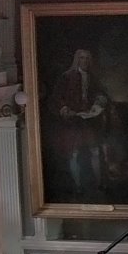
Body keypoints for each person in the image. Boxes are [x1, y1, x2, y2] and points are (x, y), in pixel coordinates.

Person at [50, 48, 110, 198]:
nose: (85, 61)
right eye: (82, 58)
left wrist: (98, 104)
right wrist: (65, 109)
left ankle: (99, 183)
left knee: (95, 151)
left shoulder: (93, 78)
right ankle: (77, 186)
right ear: (77, 59)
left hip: (90, 120)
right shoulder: (66, 77)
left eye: (87, 58)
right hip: (73, 121)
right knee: (74, 153)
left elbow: (101, 94)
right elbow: (57, 97)